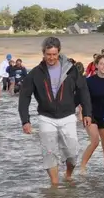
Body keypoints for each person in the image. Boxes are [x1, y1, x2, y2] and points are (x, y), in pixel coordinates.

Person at [18, 36, 93, 186]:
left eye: (54, 54)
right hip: (46, 118)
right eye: (48, 54)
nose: (51, 58)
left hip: (68, 116)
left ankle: (68, 174)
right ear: (43, 53)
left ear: (58, 53)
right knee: (49, 153)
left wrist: (87, 113)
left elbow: (83, 90)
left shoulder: (71, 70)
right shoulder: (35, 73)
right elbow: (24, 97)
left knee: (72, 153)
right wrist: (25, 120)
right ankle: (55, 186)